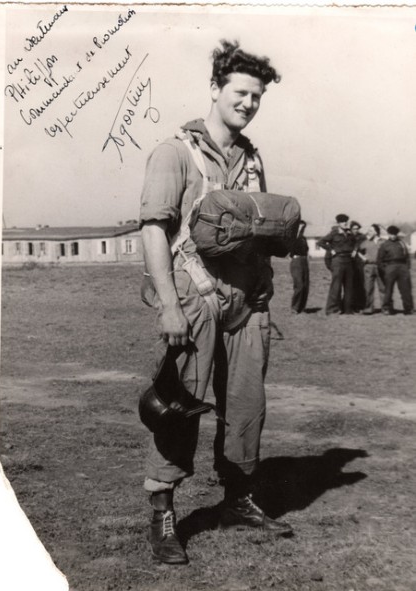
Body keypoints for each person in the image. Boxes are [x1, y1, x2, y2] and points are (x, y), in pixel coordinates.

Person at [139, 40, 293, 566]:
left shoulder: (252, 158)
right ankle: (162, 511)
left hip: (246, 301)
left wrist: (264, 296)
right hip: (194, 296)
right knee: (180, 406)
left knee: (248, 407)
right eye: (239, 92)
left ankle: (238, 500)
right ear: (214, 89)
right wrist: (168, 305)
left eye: (257, 96)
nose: (248, 103)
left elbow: (260, 228)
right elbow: (154, 230)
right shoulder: (174, 152)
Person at [317, 214, 356, 315]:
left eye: (346, 222)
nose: (345, 224)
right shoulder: (334, 233)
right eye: (343, 222)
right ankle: (332, 309)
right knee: (336, 286)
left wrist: (355, 250)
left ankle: (348, 309)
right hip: (338, 260)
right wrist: (331, 250)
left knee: (349, 286)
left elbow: (355, 243)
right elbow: (320, 242)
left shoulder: (350, 233)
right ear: (338, 223)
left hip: (348, 261)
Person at [377, 225, 414, 315]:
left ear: (397, 234)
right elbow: (379, 260)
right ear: (388, 234)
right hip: (390, 267)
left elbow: (407, 257)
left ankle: (408, 309)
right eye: (391, 234)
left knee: (405, 289)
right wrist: (385, 270)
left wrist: (406, 267)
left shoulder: (401, 243)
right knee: (388, 289)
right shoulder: (384, 245)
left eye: (394, 234)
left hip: (402, 267)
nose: (393, 236)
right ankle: (387, 308)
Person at [357, 224, 385, 314]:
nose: (368, 232)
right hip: (368, 267)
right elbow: (357, 252)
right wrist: (363, 258)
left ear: (376, 232)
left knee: (383, 288)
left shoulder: (383, 242)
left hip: (380, 267)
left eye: (371, 231)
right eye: (368, 231)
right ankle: (369, 308)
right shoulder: (365, 242)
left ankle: (385, 308)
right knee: (368, 288)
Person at [289, 220, 309, 313]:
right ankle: (294, 307)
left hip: (304, 261)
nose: (302, 228)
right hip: (296, 261)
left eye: (303, 227)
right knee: (299, 284)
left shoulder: (303, 238)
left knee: (305, 285)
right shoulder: (292, 237)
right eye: (300, 226)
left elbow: (306, 250)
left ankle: (301, 307)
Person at [349, 221, 366, 312]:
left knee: (360, 284)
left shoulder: (362, 237)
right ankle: (352, 305)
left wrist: (355, 249)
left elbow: (361, 245)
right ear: (351, 229)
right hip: (350, 263)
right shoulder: (348, 236)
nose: (356, 230)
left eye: (357, 228)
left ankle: (361, 305)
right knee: (351, 285)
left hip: (359, 263)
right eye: (354, 229)